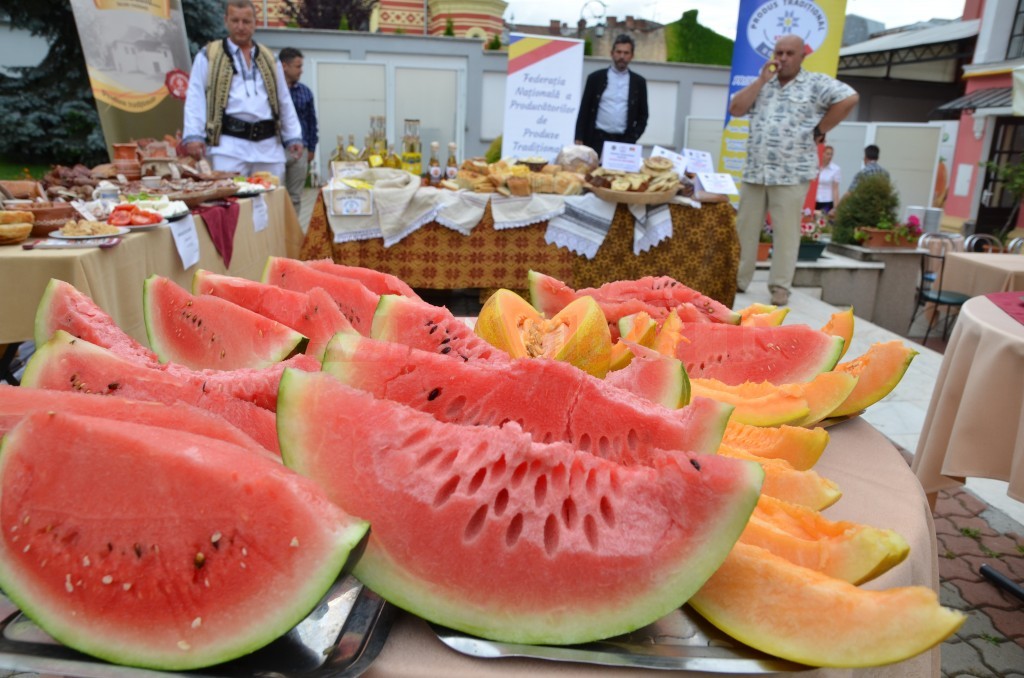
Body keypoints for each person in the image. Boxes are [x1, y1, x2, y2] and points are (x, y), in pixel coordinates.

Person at [730, 35, 859, 306]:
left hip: (791, 172)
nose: (783, 58)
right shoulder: (763, 83)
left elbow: (850, 98)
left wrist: (820, 130)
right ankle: (738, 280)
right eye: (779, 52)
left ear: (802, 56)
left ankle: (779, 287)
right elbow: (736, 108)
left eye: (790, 53)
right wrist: (760, 80)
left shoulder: (815, 84)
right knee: (745, 229)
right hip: (756, 170)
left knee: (786, 232)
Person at [182, 0, 303, 181]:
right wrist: (194, 135)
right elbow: (195, 96)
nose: (240, 27)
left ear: (255, 23)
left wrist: (293, 136)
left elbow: (283, 99)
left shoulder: (269, 58)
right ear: (226, 21)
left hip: (268, 146)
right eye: (235, 21)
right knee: (235, 202)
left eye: (246, 22)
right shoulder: (210, 55)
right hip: (229, 146)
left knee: (270, 199)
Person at [574, 34, 649, 156]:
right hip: (596, 139)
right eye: (618, 52)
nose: (622, 56)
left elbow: (643, 115)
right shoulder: (595, 78)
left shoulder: (639, 82)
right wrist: (579, 137)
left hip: (624, 141)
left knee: (620, 175)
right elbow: (584, 110)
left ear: (632, 56)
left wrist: (633, 137)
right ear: (612, 53)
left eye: (626, 53)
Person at [279, 47, 318, 217]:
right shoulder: (271, 90)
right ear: (284, 66)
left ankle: (293, 235)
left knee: (294, 196)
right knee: (275, 195)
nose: (301, 70)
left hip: (300, 152)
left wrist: (311, 148)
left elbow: (311, 121)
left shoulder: (305, 92)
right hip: (275, 150)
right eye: (298, 66)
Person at [815, 145, 841, 212]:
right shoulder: (815, 167)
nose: (829, 156)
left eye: (831, 154)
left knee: (824, 220)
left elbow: (835, 189)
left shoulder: (835, 169)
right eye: (827, 154)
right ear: (822, 154)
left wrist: (836, 207)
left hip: (827, 200)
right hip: (814, 199)